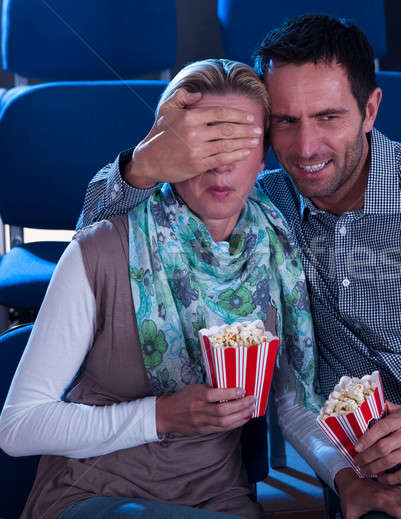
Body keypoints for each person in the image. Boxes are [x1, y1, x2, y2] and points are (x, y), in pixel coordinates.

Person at [76, 15, 401, 519]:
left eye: (328, 117)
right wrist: (143, 163)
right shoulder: (253, 210)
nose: (305, 148)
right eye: (285, 121)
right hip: (394, 473)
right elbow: (95, 253)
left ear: (370, 110)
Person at [0, 59, 341, 519]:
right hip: (98, 490)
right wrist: (160, 416)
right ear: (171, 150)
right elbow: (19, 427)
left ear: (264, 157)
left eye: (238, 144)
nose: (220, 165)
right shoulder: (102, 248)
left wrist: (348, 479)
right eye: (204, 143)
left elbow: (294, 405)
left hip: (220, 496)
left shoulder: (277, 242)